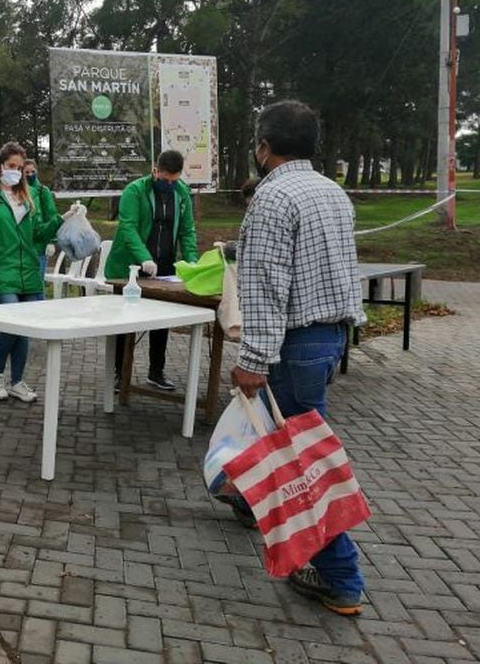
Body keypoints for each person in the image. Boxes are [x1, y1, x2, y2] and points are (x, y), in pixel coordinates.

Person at [231, 99, 366, 616]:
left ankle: (341, 577)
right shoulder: (332, 192)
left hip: (293, 343)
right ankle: (244, 497)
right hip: (330, 337)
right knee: (282, 436)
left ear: (264, 147)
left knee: (302, 460)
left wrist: (253, 358)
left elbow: (265, 287)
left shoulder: (271, 199)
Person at [0, 142, 75, 403]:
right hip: (1, 269)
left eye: (20, 168)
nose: (16, 171)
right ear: (0, 166)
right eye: (11, 166)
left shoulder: (28, 198)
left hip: (28, 270)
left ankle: (17, 382)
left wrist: (62, 218)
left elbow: (38, 233)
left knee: (23, 327)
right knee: (11, 323)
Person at [103, 150, 198, 391]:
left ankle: (156, 371)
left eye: (173, 180)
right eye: (165, 179)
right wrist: (144, 257)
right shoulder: (135, 191)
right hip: (131, 266)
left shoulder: (182, 193)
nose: (169, 184)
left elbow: (187, 231)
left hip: (164, 266)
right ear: (155, 171)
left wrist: (192, 263)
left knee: (161, 320)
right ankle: (118, 374)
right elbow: (128, 227)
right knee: (124, 322)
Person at [23, 159, 58, 277]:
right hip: (22, 244)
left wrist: (51, 241)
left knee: (38, 280)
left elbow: (51, 215)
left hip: (39, 244)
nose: (30, 175)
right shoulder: (18, 191)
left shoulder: (43, 191)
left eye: (32, 171)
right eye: (26, 172)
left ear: (37, 171)